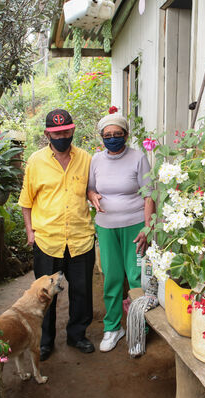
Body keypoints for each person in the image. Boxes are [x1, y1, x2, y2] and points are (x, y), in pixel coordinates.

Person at [18, 109, 96, 361]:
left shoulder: (86, 158)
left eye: (65, 131)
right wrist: (30, 231)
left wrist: (92, 195)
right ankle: (45, 341)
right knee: (45, 294)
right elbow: (26, 201)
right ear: (47, 134)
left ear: (72, 130)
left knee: (82, 291)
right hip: (47, 239)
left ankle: (77, 335)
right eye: (56, 132)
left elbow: (90, 190)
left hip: (80, 237)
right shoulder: (35, 162)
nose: (62, 136)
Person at [87, 111, 155, 352]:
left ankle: (140, 329)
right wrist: (92, 196)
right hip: (106, 228)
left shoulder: (138, 157)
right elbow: (90, 189)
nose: (113, 138)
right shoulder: (95, 160)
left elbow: (149, 195)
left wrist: (147, 229)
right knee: (112, 278)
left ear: (126, 135)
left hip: (135, 227)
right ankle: (113, 327)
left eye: (117, 134)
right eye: (108, 135)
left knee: (137, 278)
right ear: (102, 137)